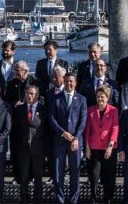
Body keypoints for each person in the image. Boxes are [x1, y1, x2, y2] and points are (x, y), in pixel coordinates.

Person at [49, 73, 87, 204]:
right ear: (63, 82)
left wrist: (76, 137)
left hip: (75, 141)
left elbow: (83, 120)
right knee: (58, 171)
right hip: (60, 140)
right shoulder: (56, 98)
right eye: (66, 81)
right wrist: (62, 132)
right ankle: (60, 199)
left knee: (75, 171)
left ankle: (73, 199)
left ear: (75, 83)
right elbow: (52, 118)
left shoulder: (82, 99)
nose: (69, 84)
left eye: (71, 81)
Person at [10, 85, 47, 204]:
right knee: (24, 176)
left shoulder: (43, 109)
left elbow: (47, 130)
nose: (30, 96)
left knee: (38, 176)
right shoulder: (19, 109)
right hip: (23, 148)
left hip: (38, 149)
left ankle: (38, 199)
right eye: (28, 94)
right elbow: (15, 130)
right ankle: (24, 198)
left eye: (33, 94)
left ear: (37, 95)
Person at [83, 85, 119, 204]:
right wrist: (87, 147)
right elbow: (87, 129)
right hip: (94, 148)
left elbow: (115, 128)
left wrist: (110, 146)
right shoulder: (90, 110)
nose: (100, 99)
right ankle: (94, 199)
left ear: (107, 97)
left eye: (102, 97)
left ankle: (108, 199)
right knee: (94, 176)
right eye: (98, 97)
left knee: (109, 176)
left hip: (109, 148)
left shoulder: (114, 110)